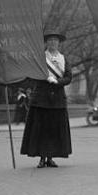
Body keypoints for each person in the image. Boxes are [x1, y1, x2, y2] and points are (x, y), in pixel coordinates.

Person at [20, 30, 72, 168]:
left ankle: (51, 157)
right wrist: (45, 78)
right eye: (50, 41)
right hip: (41, 99)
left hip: (58, 100)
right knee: (41, 130)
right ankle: (42, 158)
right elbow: (33, 74)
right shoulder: (40, 58)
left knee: (54, 130)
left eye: (55, 41)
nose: (53, 43)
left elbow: (68, 77)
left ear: (59, 43)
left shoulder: (63, 58)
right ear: (46, 43)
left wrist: (58, 82)